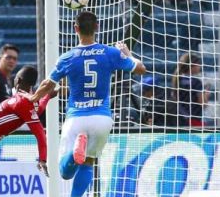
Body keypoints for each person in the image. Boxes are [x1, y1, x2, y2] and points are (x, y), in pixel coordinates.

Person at [26, 11, 146, 197]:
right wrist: (127, 53)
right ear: (97, 27)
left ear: (75, 29)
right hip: (101, 118)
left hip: (76, 118)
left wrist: (33, 99)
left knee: (64, 173)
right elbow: (140, 69)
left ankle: (74, 156)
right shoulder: (110, 53)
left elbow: (48, 84)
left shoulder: (68, 57)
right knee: (89, 162)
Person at [171, 53, 210, 127]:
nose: (200, 66)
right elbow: (203, 103)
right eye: (198, 64)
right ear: (192, 66)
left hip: (180, 119)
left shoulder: (177, 79)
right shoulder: (196, 82)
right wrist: (206, 95)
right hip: (194, 120)